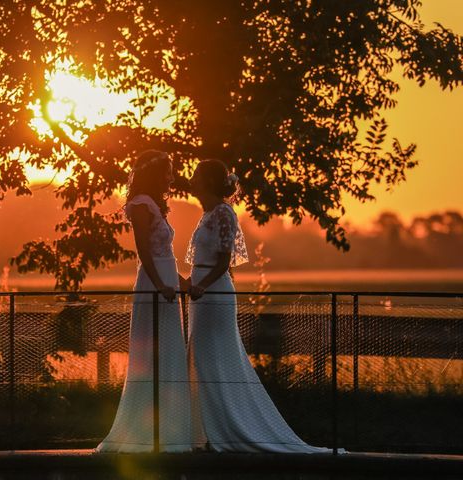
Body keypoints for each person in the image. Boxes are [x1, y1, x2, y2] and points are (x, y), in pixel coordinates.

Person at [186, 159, 335, 453]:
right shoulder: (206, 215)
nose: (190, 180)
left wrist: (202, 285)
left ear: (207, 181)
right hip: (199, 291)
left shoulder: (224, 213)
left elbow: (224, 260)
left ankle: (223, 431)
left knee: (211, 355)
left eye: (195, 175)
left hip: (213, 293)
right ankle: (206, 431)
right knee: (199, 355)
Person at [96, 150, 192, 452]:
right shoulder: (140, 206)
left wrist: (181, 281)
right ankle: (143, 430)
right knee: (152, 353)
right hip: (153, 283)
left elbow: (165, 254)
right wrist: (162, 284)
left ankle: (169, 428)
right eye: (168, 172)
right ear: (154, 174)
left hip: (166, 281)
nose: (172, 178)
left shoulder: (156, 206)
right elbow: (145, 252)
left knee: (170, 349)